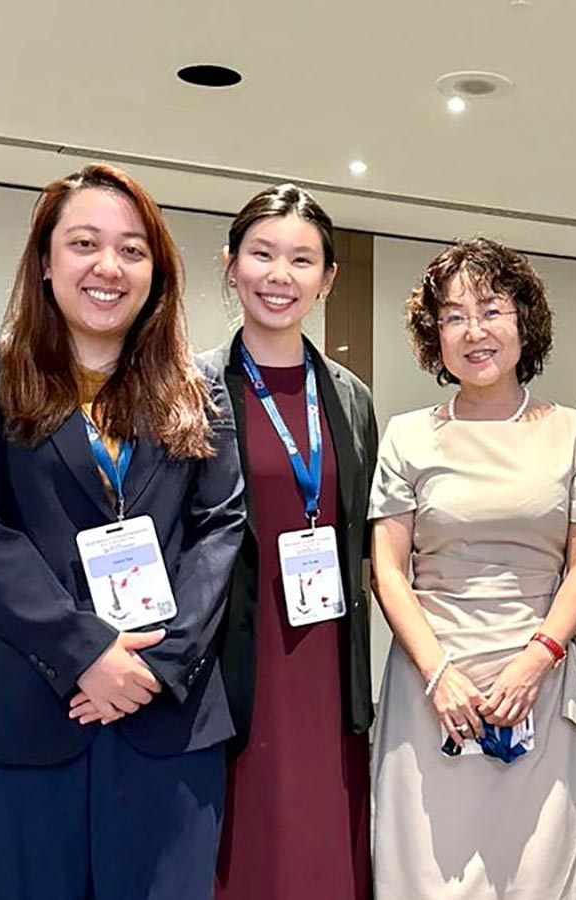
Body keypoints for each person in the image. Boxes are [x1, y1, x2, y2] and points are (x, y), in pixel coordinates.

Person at [0, 163, 246, 899]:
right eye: (84, 244)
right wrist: (84, 652)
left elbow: (218, 531)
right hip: (16, 714)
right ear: (45, 262)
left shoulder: (197, 389)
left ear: (157, 272)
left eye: (133, 249)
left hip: (167, 723)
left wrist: (152, 667)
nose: (108, 267)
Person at [368, 237, 576, 898]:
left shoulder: (575, 432)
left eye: (492, 310)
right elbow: (387, 570)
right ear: (434, 335)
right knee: (425, 873)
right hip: (431, 684)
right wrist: (438, 674)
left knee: (532, 870)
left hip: (539, 673)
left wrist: (538, 658)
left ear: (523, 322)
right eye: (453, 316)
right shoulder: (408, 434)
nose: (474, 331)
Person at [204, 184, 375, 900]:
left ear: (327, 279)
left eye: (303, 260)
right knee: (242, 845)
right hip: (232, 660)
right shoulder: (193, 387)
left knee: (322, 842)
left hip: (327, 657)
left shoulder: (350, 395)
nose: (281, 275)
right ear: (231, 265)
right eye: (263, 254)